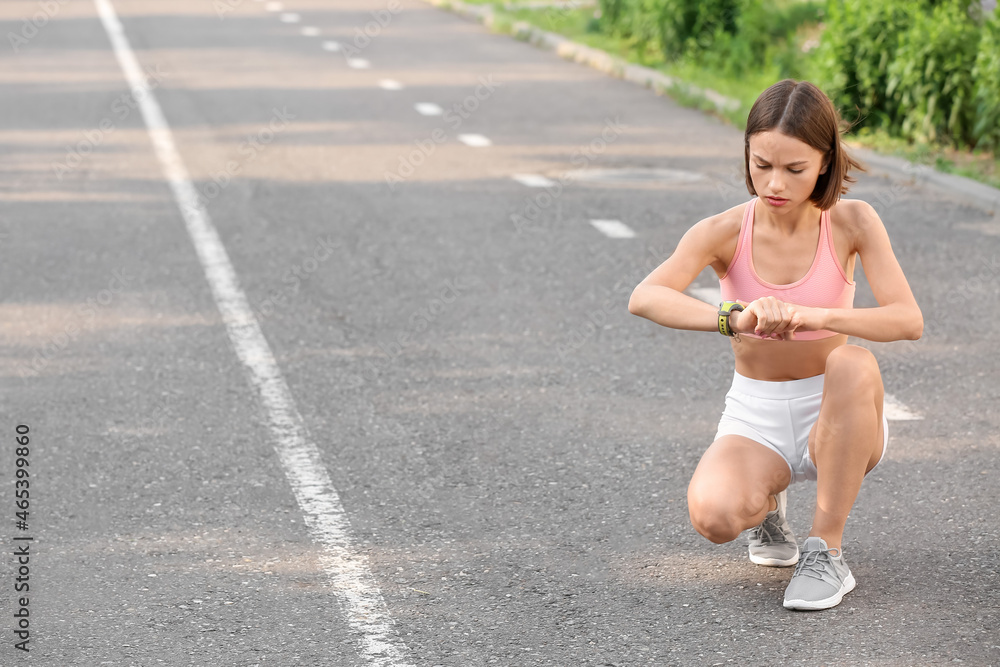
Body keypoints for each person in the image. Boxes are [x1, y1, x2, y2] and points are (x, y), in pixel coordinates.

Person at [627, 79, 922, 610]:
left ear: (825, 162)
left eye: (794, 169)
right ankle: (766, 509)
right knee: (713, 516)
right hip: (755, 413)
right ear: (747, 153)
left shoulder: (853, 221)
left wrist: (816, 315)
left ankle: (826, 552)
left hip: (836, 407)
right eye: (761, 164)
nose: (774, 183)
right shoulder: (723, 230)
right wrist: (732, 318)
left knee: (853, 362)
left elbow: (908, 320)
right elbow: (645, 297)